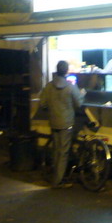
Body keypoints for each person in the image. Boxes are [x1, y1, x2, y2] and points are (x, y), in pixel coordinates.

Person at [39, 60, 84, 188]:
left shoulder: (48, 86)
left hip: (54, 122)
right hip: (66, 123)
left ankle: (56, 176)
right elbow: (79, 103)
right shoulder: (70, 87)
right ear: (66, 71)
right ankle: (58, 181)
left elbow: (42, 104)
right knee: (63, 152)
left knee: (56, 150)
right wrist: (82, 94)